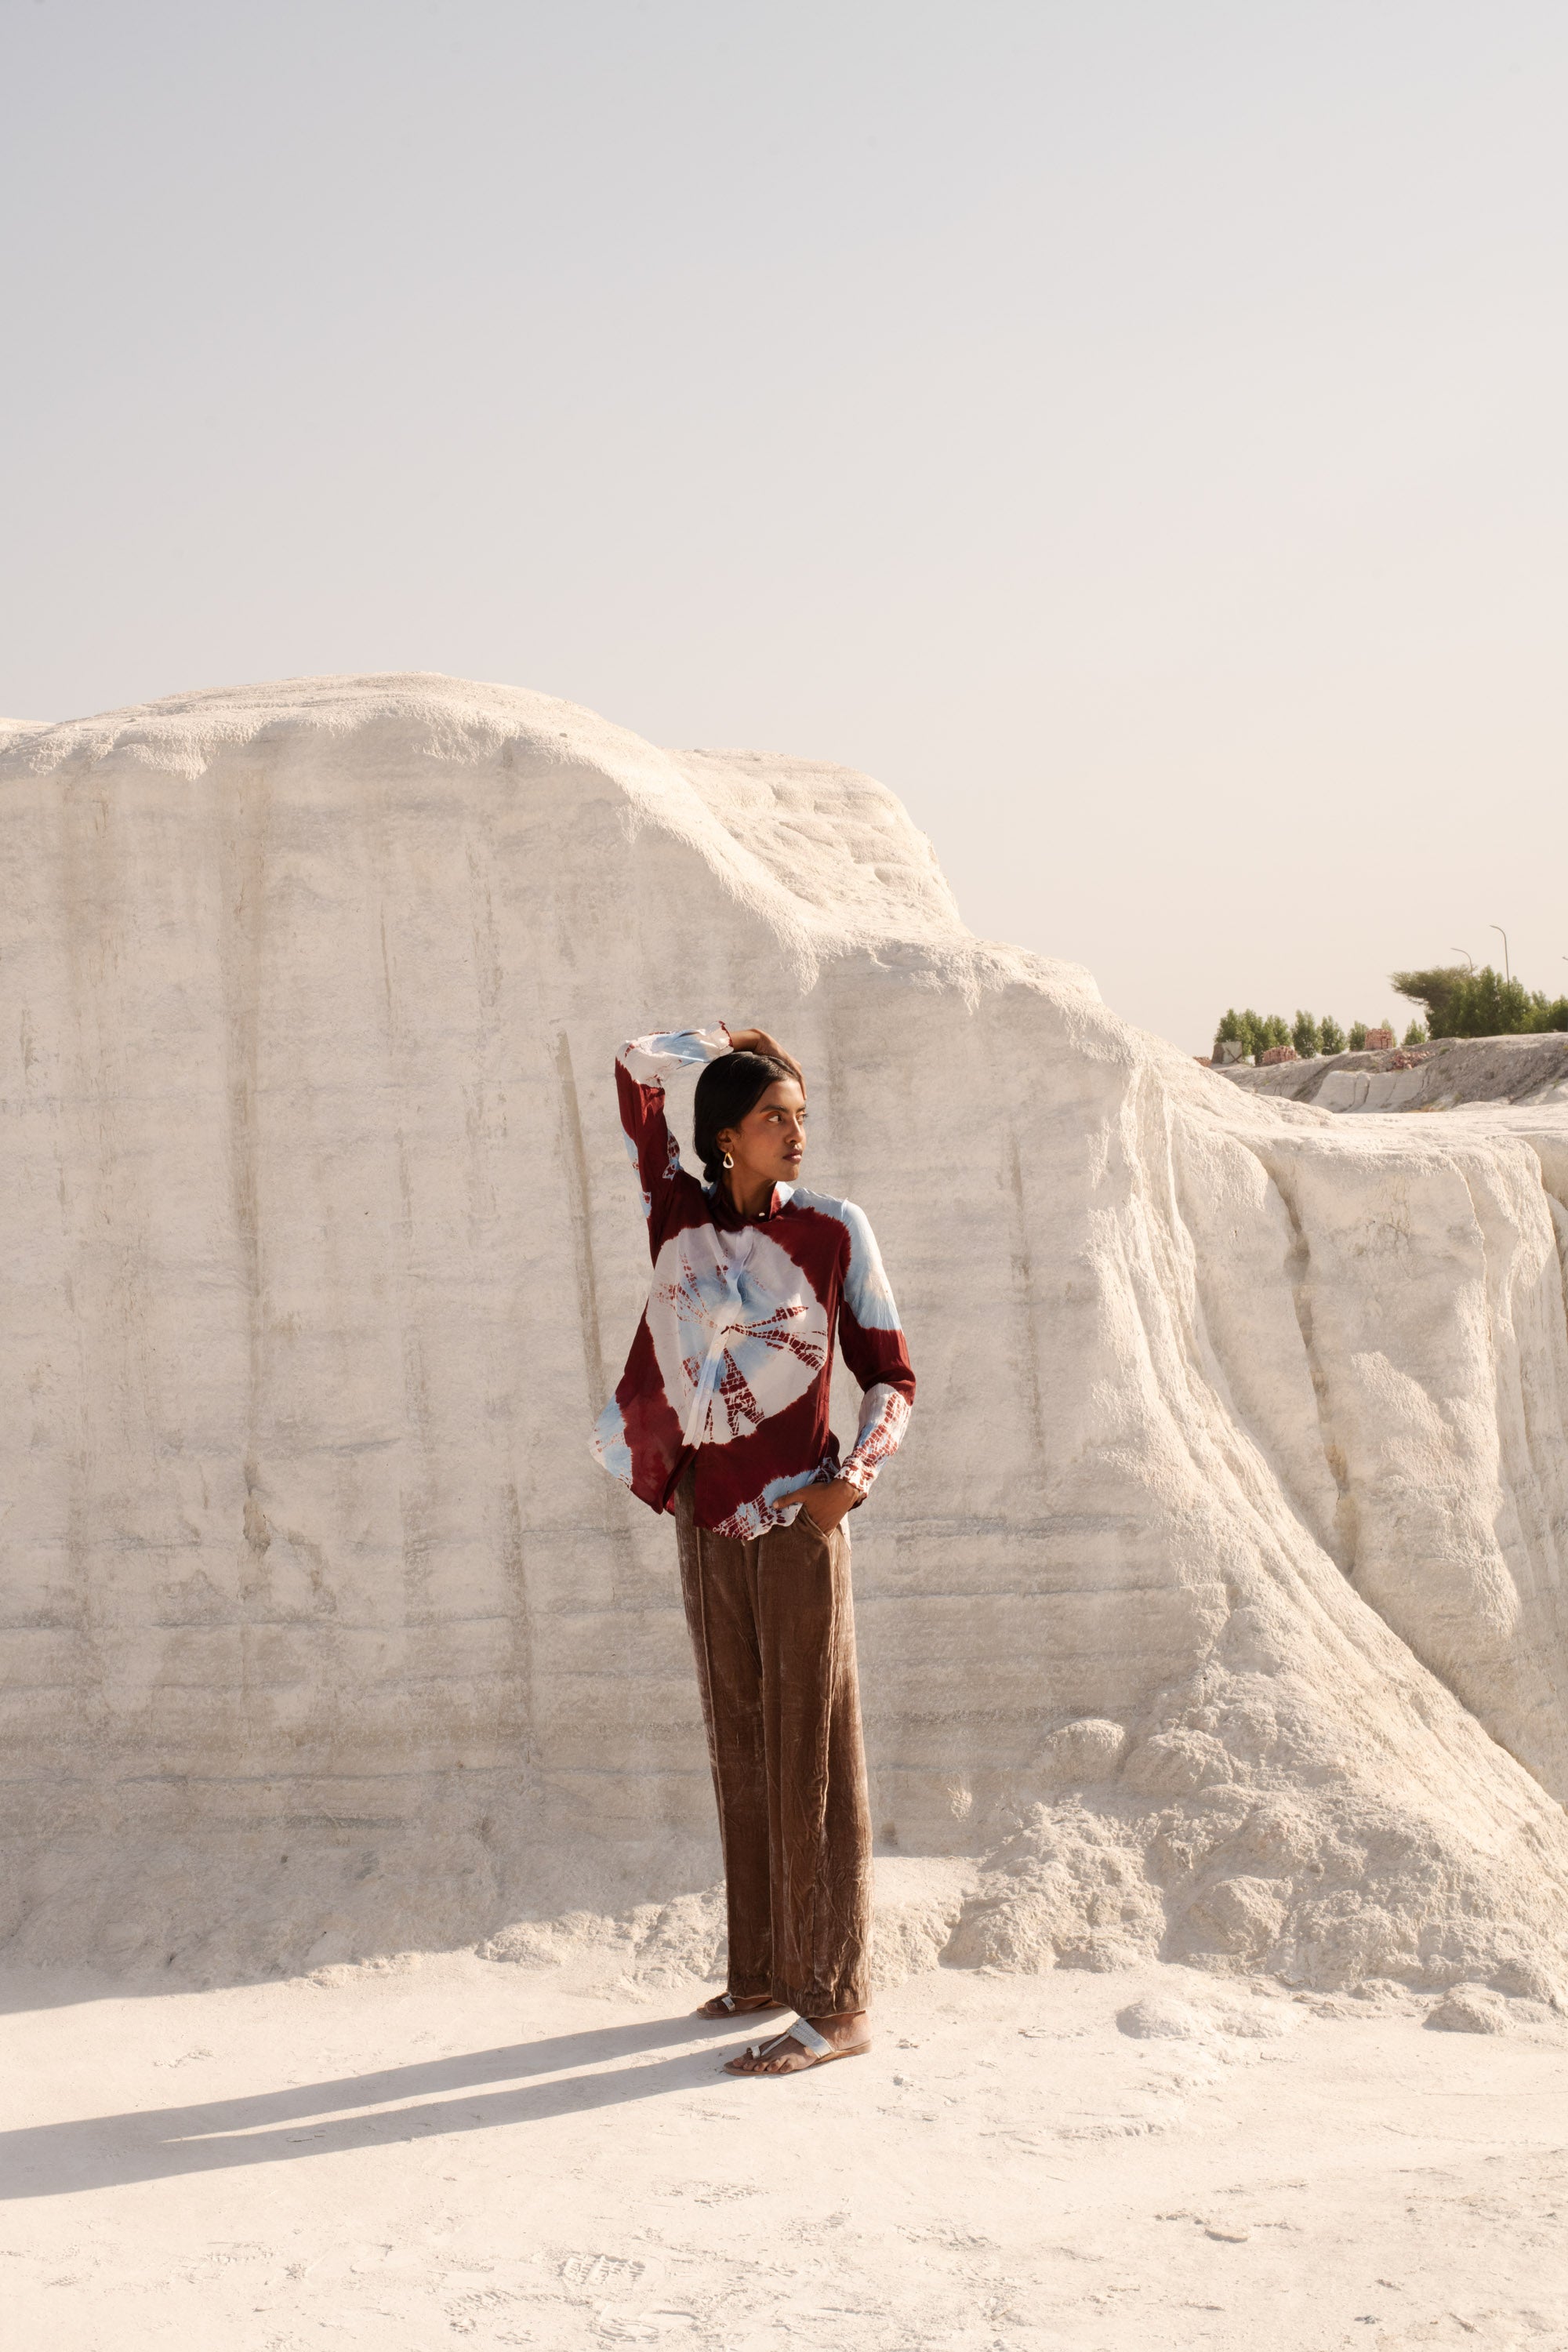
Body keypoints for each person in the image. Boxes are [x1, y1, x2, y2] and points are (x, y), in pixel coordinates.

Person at [591, 1022, 916, 2076]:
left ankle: (839, 2002)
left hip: (793, 1523)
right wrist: (725, 1038)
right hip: (705, 1516)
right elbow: (633, 1072)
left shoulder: (831, 1230)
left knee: (811, 1749)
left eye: (803, 1116)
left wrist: (847, 1483)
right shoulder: (676, 1211)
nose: (797, 1132)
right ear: (724, 1136)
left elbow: (893, 1378)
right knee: (741, 1742)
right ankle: (766, 1972)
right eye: (776, 1116)